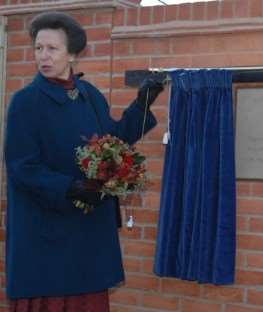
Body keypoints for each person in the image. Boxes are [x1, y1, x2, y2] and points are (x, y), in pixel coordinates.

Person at [4, 11, 163, 311]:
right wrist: (69, 188)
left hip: (87, 233)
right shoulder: (25, 102)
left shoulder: (89, 94)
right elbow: (21, 167)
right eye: (39, 48)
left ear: (73, 54)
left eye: (52, 48)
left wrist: (142, 105)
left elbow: (112, 141)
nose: (43, 56)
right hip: (46, 234)